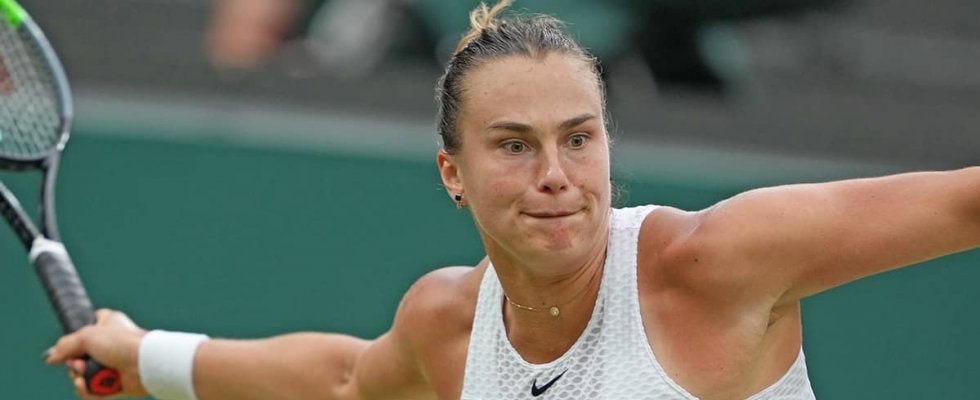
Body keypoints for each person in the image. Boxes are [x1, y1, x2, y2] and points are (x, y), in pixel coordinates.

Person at [47, 1, 979, 399]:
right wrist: (145, 355)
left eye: (579, 138)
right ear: (451, 172)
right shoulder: (446, 326)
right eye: (514, 145)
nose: (556, 175)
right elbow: (344, 380)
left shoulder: (718, 261)